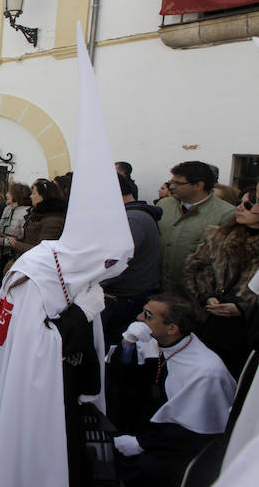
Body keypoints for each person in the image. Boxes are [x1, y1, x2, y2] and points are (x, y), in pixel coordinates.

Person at [0, 26, 133, 487]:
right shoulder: (37, 275)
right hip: (35, 404)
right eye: (108, 263)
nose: (107, 273)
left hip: (65, 392)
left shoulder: (67, 269)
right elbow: (34, 353)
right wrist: (79, 311)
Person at [107, 295, 235, 487]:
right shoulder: (156, 340)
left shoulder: (206, 372)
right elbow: (123, 377)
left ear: (172, 328)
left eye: (148, 315)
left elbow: (194, 431)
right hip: (149, 426)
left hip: (181, 446)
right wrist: (128, 344)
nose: (139, 318)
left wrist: (142, 443)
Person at [183, 189, 259, 376]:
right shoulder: (218, 236)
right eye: (240, 202)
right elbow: (196, 269)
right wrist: (206, 297)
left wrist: (244, 308)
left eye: (248, 205)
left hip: (246, 330)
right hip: (210, 320)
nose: (240, 208)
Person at [100, 173, 163, 346]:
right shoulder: (132, 217)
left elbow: (114, 264)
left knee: (114, 346)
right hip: (126, 296)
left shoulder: (132, 220)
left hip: (125, 299)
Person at [157, 161, 235, 295]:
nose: (172, 187)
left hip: (196, 294)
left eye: (178, 183)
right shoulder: (164, 205)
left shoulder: (226, 214)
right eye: (171, 182)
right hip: (158, 288)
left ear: (199, 185)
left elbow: (225, 261)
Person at [6, 178, 67, 261]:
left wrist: (16, 244)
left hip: (36, 266)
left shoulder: (53, 220)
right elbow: (30, 238)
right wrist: (16, 240)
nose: (30, 196)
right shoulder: (38, 214)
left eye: (34, 193)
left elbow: (42, 250)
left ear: (42, 197)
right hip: (28, 261)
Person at [0, 182, 31, 278]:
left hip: (13, 254)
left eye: (9, 192)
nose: (6, 194)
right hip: (0, 251)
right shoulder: (8, 208)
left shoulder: (26, 212)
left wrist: (4, 242)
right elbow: (0, 225)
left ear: (17, 195)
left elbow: (23, 236)